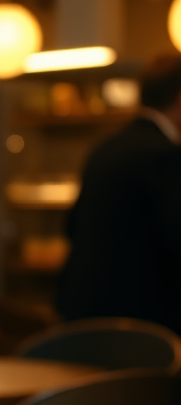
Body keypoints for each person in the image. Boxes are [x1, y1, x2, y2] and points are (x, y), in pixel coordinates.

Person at [57, 55, 181, 335]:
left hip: (84, 310)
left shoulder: (105, 147)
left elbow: (73, 225)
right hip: (140, 322)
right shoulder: (164, 155)